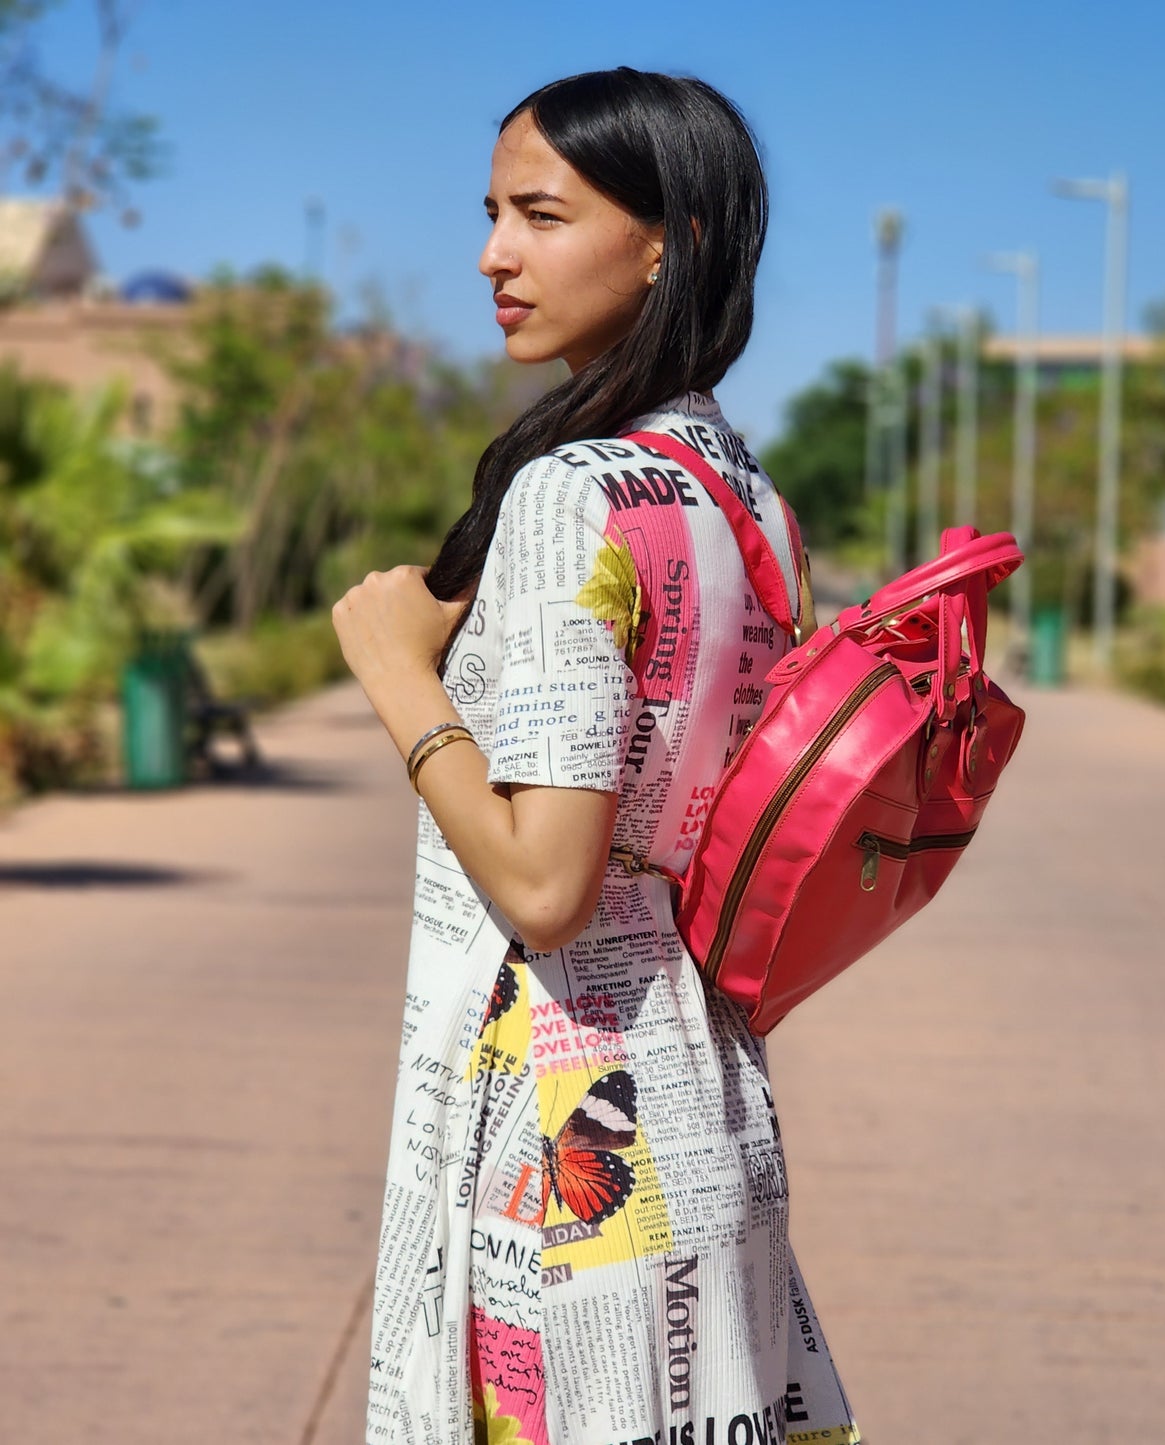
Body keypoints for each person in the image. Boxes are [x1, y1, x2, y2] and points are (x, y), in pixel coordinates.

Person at [332, 68, 856, 1445]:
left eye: (542, 215)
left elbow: (546, 887)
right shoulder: (746, 499)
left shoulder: (573, 494)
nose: (493, 253)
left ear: (666, 239)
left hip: (570, 1137)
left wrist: (398, 679)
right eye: (492, 213)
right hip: (705, 1092)